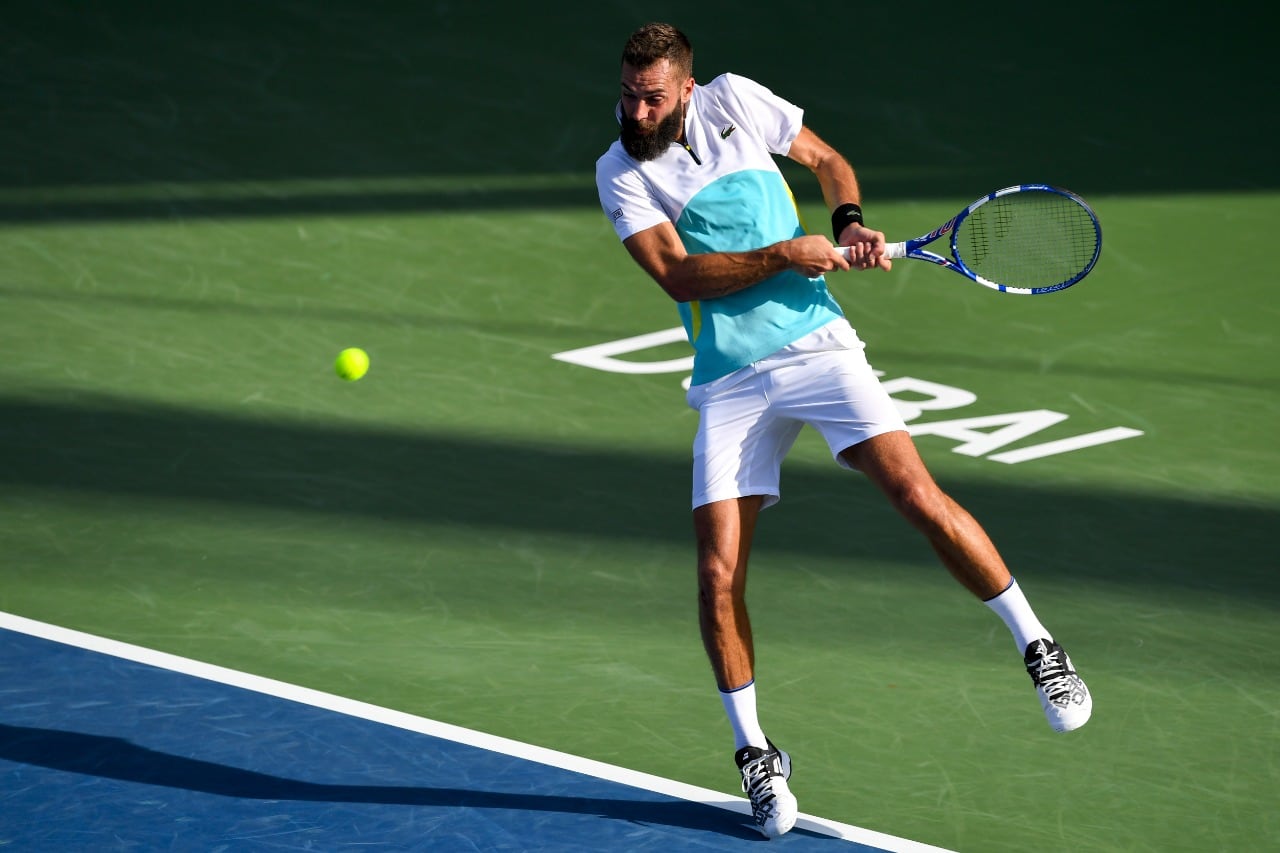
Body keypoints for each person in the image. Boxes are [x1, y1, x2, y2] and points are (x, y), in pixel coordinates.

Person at [594, 22, 1091, 839]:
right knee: (717, 574)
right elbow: (678, 276)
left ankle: (1039, 647)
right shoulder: (618, 169)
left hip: (817, 349)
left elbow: (826, 162)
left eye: (651, 98)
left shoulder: (735, 100)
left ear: (687, 88)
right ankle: (756, 754)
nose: (635, 112)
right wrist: (783, 254)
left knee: (916, 493)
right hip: (728, 379)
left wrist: (850, 222)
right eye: (626, 95)